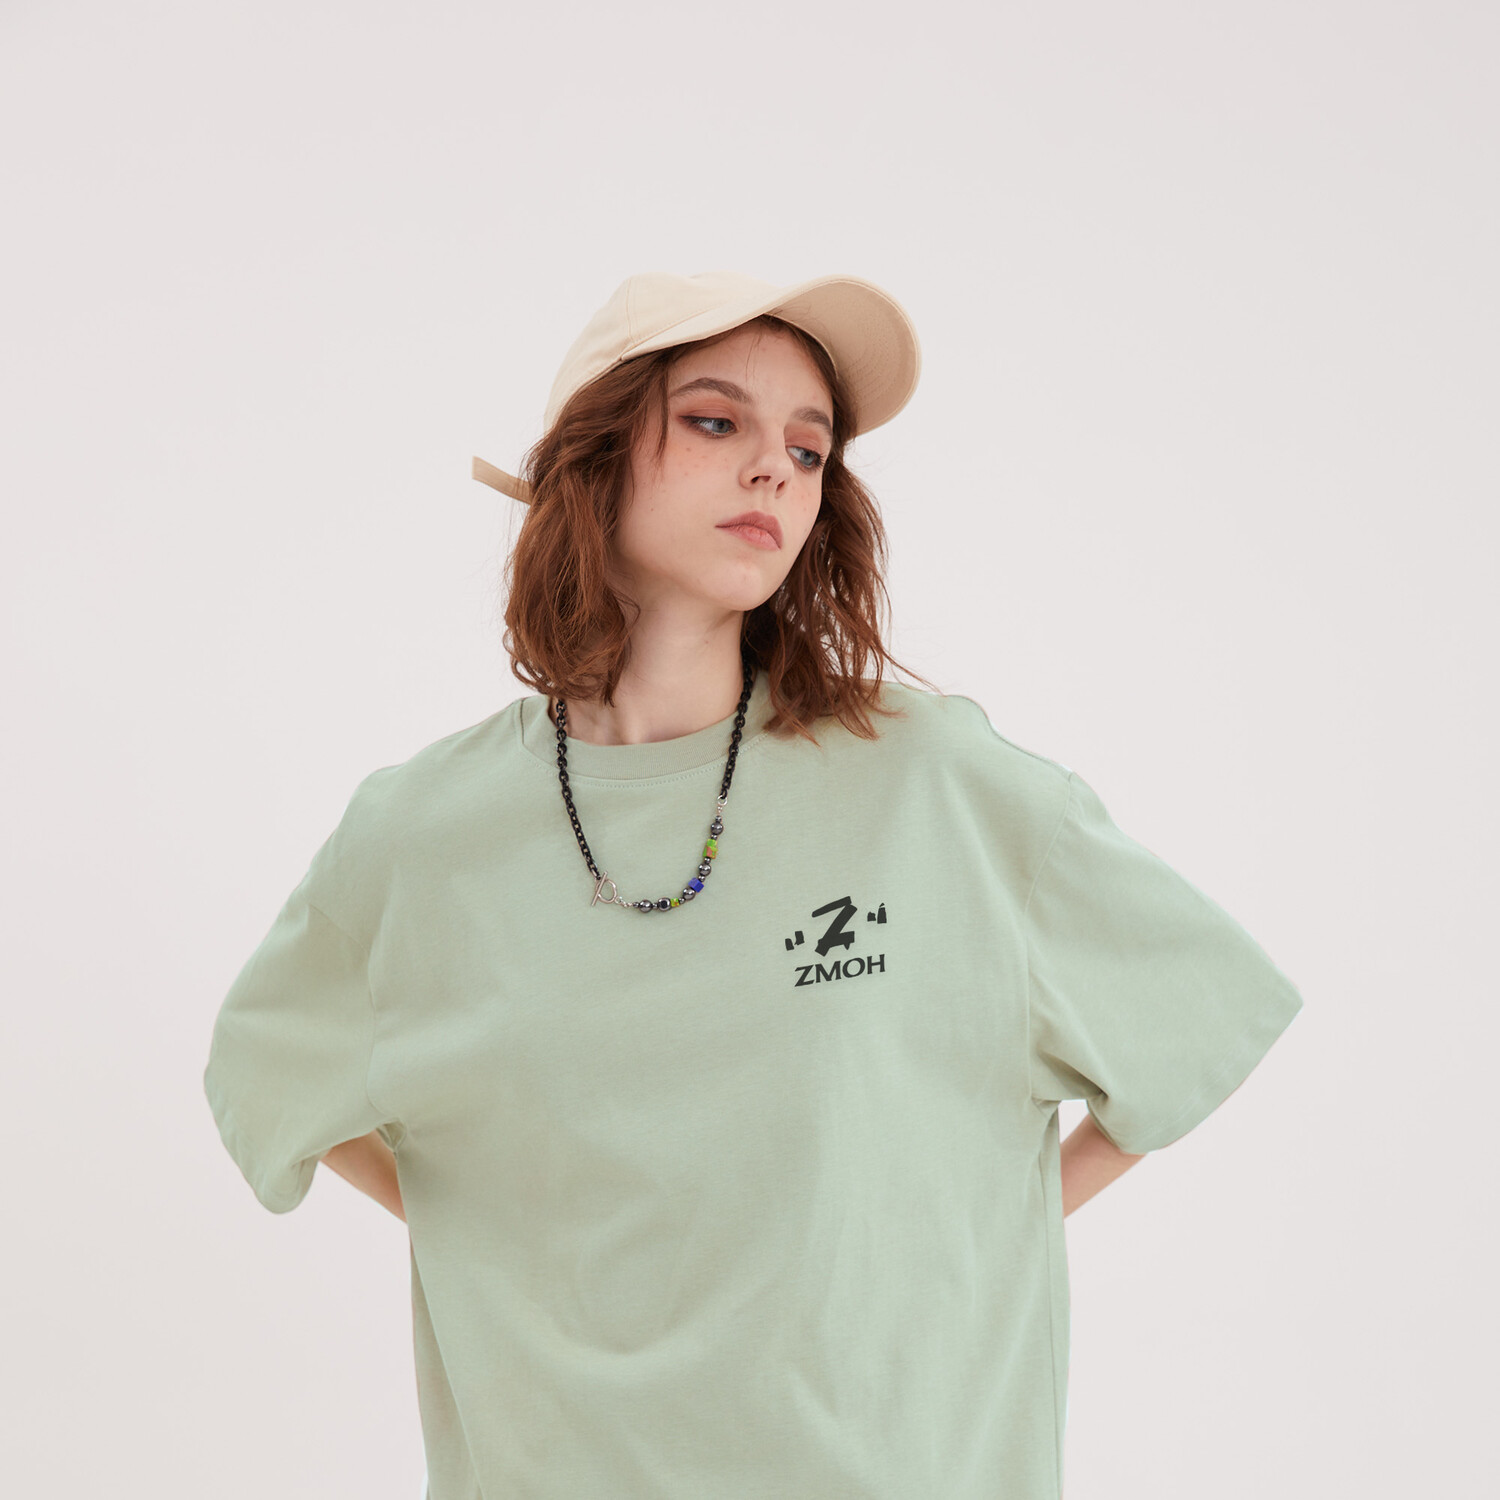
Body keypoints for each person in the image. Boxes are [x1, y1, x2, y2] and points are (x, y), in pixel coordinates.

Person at [202, 269, 1304, 1500]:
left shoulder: (934, 785)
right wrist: (498, 1241)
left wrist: (966, 1247)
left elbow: (1188, 1029)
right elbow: (266, 1078)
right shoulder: (421, 839)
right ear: (594, 461)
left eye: (809, 447)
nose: (775, 467)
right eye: (716, 421)